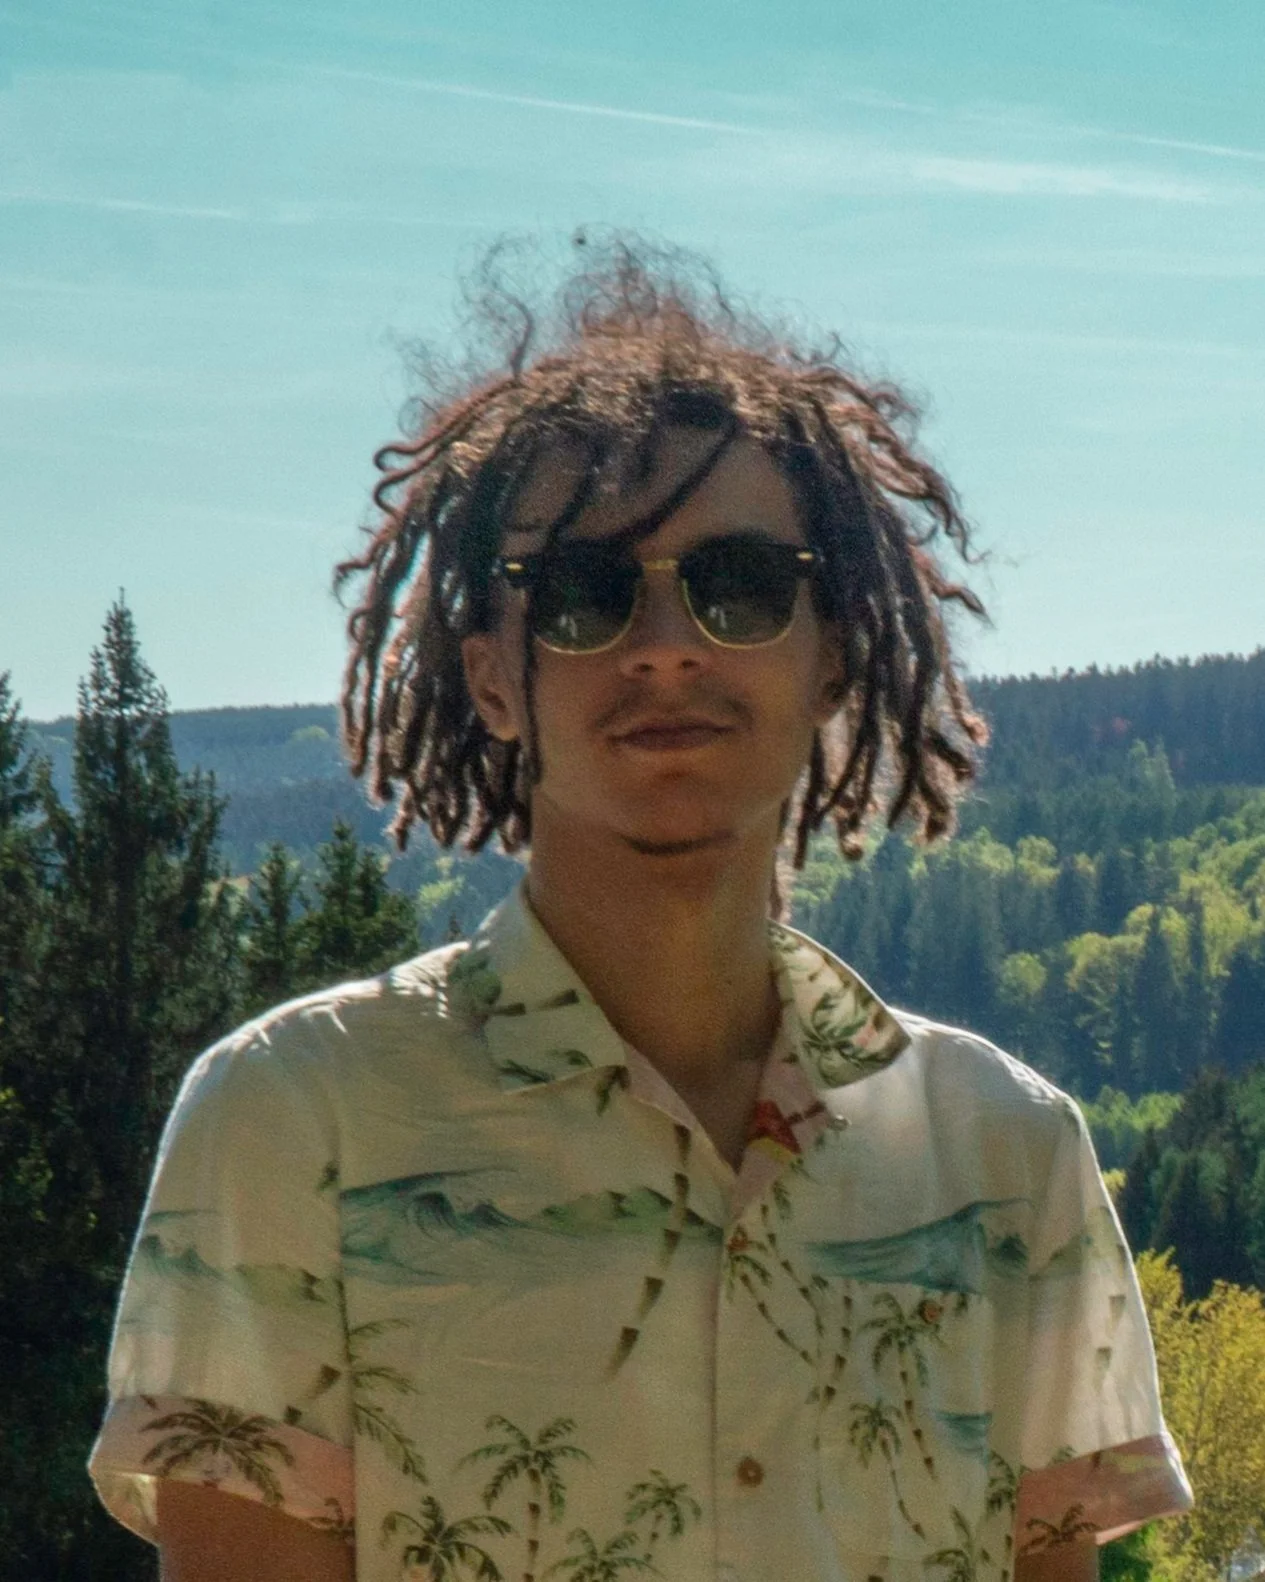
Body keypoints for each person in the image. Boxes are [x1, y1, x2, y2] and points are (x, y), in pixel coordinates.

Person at [90, 238, 1191, 1582]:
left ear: (832, 655)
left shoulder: (1007, 1154)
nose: (666, 646)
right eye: (583, 594)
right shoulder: (293, 1121)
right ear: (493, 680)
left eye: (741, 585)